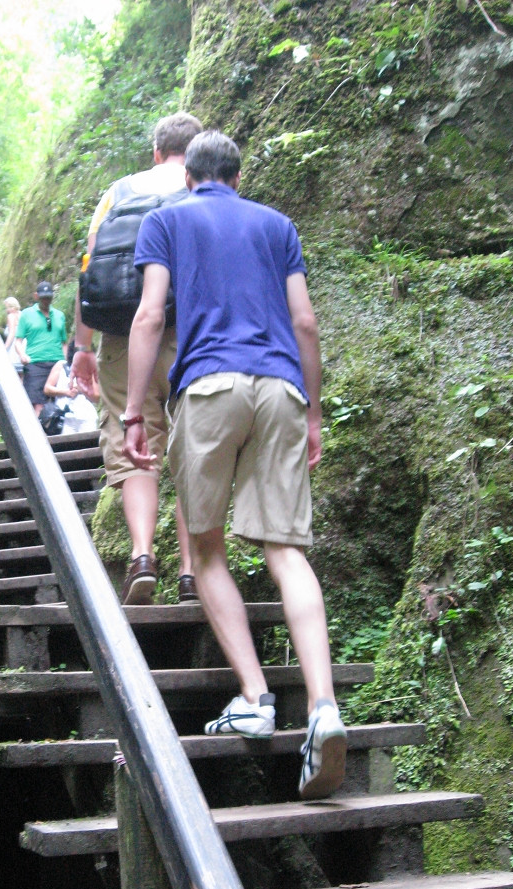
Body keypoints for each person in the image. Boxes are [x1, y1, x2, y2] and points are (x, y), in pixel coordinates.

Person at [123, 129, 347, 800]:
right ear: (239, 178)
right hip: (280, 387)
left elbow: (149, 316)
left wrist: (135, 410)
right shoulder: (277, 226)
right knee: (285, 549)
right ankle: (324, 707)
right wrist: (312, 409)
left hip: (210, 388)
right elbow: (304, 321)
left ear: (187, 176)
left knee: (208, 547)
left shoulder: (165, 221)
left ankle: (253, 695)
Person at [71, 112, 202, 605]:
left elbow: (91, 265)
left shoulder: (117, 193)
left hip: (125, 336)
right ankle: (192, 572)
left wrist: (83, 346)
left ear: (156, 151)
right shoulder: (202, 188)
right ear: (197, 149)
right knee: (192, 448)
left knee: (135, 445)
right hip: (191, 330)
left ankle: (143, 556)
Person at [16, 282, 68, 416]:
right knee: (37, 404)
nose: (46, 300)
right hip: (35, 363)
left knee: (59, 402)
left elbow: (64, 342)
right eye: (43, 297)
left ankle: (57, 434)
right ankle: (37, 435)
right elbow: (18, 341)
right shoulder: (27, 314)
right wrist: (22, 355)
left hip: (57, 364)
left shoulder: (59, 315)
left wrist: (65, 362)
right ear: (36, 296)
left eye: (48, 297)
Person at [42, 344, 99, 434]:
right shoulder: (61, 365)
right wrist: (66, 392)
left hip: (86, 416)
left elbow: (97, 396)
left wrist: (82, 389)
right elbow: (47, 388)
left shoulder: (91, 370)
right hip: (65, 417)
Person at [2, 296, 24, 376]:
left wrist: (4, 348)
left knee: (13, 374)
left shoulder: (11, 316)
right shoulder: (22, 315)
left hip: (14, 348)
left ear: (12, 307)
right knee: (22, 375)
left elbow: (12, 334)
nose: (6, 310)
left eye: (7, 307)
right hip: (23, 346)